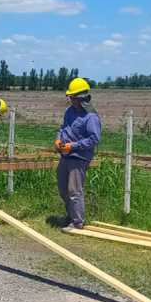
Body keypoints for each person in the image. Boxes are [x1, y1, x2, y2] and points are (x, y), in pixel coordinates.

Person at [55, 78, 101, 233]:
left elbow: (94, 139)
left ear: (82, 98)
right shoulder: (69, 111)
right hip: (66, 156)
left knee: (74, 191)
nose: (71, 101)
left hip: (79, 158)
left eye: (74, 98)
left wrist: (72, 146)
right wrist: (58, 139)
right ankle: (70, 216)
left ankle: (76, 223)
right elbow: (63, 127)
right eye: (71, 98)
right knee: (63, 187)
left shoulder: (91, 117)